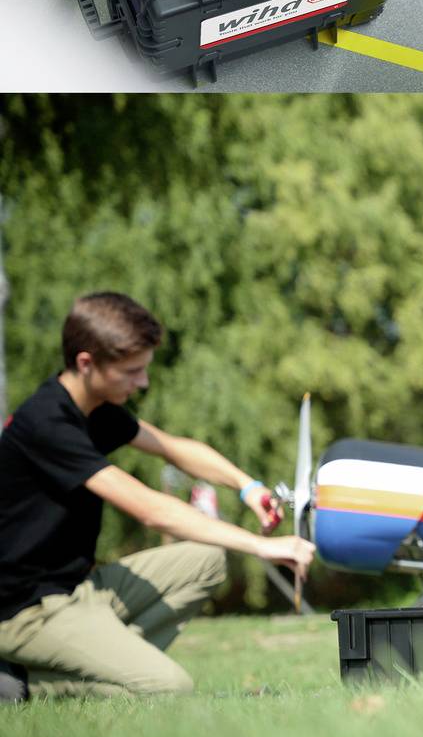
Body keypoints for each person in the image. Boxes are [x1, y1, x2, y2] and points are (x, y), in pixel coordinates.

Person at [0, 293, 315, 701]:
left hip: (78, 592)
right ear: (85, 363)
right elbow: (150, 510)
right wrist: (261, 546)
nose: (143, 383)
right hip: (24, 613)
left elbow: (172, 447)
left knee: (205, 560)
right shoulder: (46, 422)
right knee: (170, 688)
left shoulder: (97, 408)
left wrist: (247, 485)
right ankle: (22, 686)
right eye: (132, 372)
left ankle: (105, 663)